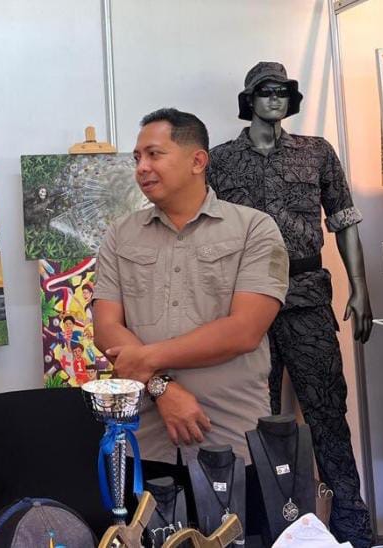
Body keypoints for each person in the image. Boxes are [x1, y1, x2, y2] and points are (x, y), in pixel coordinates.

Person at [207, 62, 372, 546]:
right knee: (252, 420)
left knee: (328, 414)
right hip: (245, 305)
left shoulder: (316, 153)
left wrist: (360, 286)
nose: (275, 98)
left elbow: (344, 220)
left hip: (306, 298)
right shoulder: (219, 161)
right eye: (265, 91)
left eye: (282, 91)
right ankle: (263, 530)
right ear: (249, 100)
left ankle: (352, 528)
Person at [93, 107, 288, 466]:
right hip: (144, 440)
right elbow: (106, 327)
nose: (141, 167)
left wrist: (145, 360)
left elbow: (244, 331)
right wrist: (162, 388)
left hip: (230, 434)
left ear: (197, 161)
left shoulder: (255, 228)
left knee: (240, 507)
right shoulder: (121, 234)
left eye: (154, 154)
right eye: (137, 158)